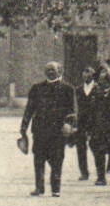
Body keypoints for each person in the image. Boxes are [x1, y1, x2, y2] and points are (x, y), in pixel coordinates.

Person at [20, 61, 77, 197]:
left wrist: (69, 123)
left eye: (53, 69)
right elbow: (29, 109)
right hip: (40, 130)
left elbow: (72, 110)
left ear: (60, 71)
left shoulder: (68, 89)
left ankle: (55, 188)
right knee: (38, 159)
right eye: (48, 70)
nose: (50, 72)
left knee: (57, 160)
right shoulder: (37, 88)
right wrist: (24, 127)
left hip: (58, 131)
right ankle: (39, 187)